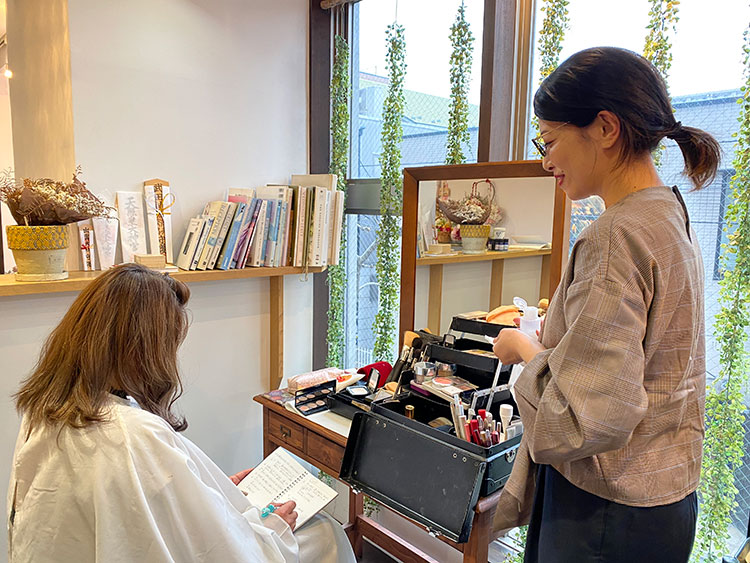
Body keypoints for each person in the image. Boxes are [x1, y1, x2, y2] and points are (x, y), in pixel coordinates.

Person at [491, 46, 719, 562]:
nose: (546, 160)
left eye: (550, 141)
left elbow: (584, 421)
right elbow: (646, 355)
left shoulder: (614, 235)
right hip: (666, 500)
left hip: (605, 510)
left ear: (605, 128)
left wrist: (526, 348)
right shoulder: (669, 215)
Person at [7, 263, 356, 563]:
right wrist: (271, 527)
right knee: (326, 534)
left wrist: (213, 490)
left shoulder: (46, 410)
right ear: (142, 349)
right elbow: (227, 552)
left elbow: (138, 503)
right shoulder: (131, 433)